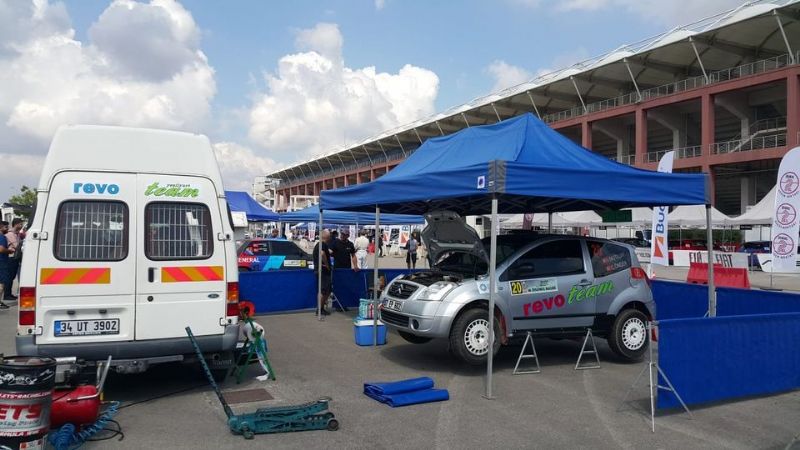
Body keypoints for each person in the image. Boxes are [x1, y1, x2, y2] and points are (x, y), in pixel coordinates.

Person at [312, 230, 333, 316]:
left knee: (326, 290)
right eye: (329, 236)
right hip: (323, 270)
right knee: (323, 290)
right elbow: (322, 253)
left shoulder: (320, 244)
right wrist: (327, 265)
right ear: (327, 237)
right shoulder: (322, 244)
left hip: (321, 270)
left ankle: (321, 308)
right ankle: (320, 309)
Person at [5, 219, 23, 300]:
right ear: (16, 224)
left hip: (15, 257)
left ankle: (9, 294)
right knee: (10, 276)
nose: (21, 226)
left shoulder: (16, 234)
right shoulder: (10, 234)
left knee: (12, 276)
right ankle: (7, 295)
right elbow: (16, 246)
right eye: (20, 224)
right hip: (11, 257)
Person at [0, 222, 11, 308]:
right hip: (2, 262)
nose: (7, 229)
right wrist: (9, 251)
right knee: (2, 282)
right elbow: (1, 249)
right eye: (6, 227)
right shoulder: (2, 237)